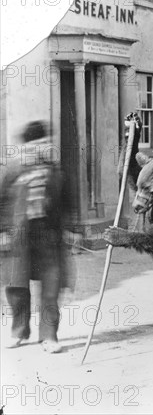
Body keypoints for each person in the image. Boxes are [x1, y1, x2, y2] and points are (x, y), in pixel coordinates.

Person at [0, 121, 75, 353]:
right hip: (19, 236)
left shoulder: (55, 171)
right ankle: (19, 331)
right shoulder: (12, 170)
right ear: (25, 146)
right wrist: (2, 231)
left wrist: (71, 229)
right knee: (17, 286)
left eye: (43, 144)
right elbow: (2, 202)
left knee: (51, 287)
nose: (38, 149)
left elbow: (67, 203)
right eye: (34, 145)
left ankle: (49, 336)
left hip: (49, 237)